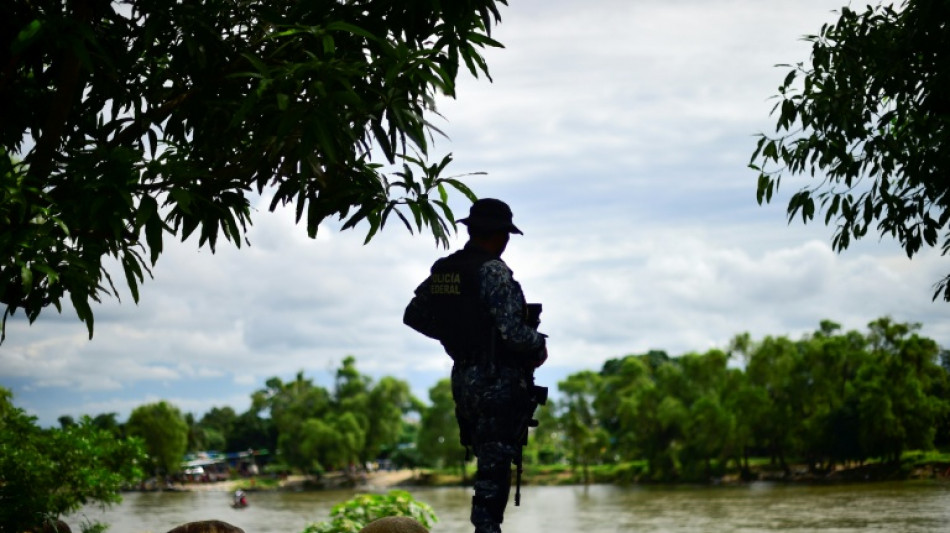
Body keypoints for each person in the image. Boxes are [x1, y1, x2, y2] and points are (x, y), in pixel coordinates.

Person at [403, 198, 547, 533]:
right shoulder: (494, 272)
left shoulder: (445, 271)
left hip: (465, 378)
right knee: (494, 467)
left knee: (486, 458)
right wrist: (538, 344)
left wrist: (456, 339)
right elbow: (513, 334)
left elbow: (415, 315)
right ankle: (486, 529)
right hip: (497, 379)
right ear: (501, 235)